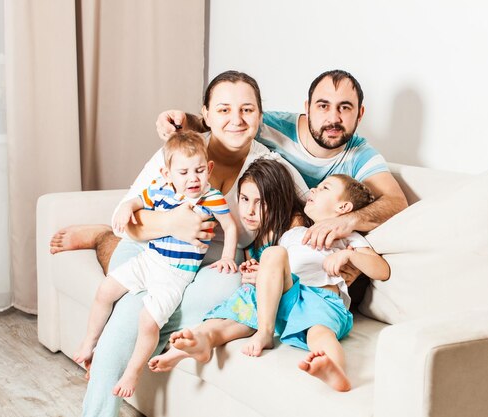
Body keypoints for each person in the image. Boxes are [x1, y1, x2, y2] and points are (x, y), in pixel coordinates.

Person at [73, 71, 309, 417]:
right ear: (206, 115)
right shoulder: (178, 154)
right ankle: (104, 386)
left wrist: (330, 226)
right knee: (129, 316)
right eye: (224, 110)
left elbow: (312, 205)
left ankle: (133, 340)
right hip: (150, 244)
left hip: (210, 263)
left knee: (220, 288)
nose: (236, 120)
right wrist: (173, 222)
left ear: (260, 116)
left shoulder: (269, 166)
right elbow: (125, 221)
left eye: (247, 110)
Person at [148, 160, 390, 393]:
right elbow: (277, 265)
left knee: (320, 333)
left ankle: (334, 369)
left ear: (343, 208)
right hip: (280, 299)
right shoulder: (293, 234)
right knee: (268, 263)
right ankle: (203, 338)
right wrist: (261, 272)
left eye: (325, 187)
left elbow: (382, 270)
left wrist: (349, 256)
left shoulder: (346, 236)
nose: (314, 188)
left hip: (320, 299)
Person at [156, 69, 408, 252]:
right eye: (323, 106)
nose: (333, 118)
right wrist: (185, 121)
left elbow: (396, 202)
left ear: (360, 113)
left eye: (345, 107)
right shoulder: (272, 126)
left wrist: (344, 222)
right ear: (307, 107)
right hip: (252, 236)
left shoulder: (361, 155)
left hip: (301, 247)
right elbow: (231, 122)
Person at [73, 131, 238, 398]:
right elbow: (138, 200)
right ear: (168, 173)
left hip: (175, 275)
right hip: (148, 259)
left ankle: (133, 371)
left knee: (148, 321)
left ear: (208, 169)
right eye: (183, 172)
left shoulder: (211, 198)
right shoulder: (161, 190)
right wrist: (127, 206)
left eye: (198, 170)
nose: (192, 179)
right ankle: (90, 341)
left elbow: (230, 227)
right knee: (106, 290)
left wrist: (228, 257)